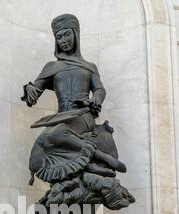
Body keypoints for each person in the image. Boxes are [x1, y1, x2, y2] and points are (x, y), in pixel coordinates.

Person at [22, 14, 113, 185]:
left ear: (75, 35)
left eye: (67, 34)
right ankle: (87, 168)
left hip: (83, 115)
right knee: (36, 154)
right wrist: (29, 89)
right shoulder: (51, 67)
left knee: (55, 133)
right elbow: (34, 92)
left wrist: (96, 100)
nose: (63, 40)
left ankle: (103, 158)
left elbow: (100, 89)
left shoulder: (89, 66)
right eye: (59, 36)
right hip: (61, 117)